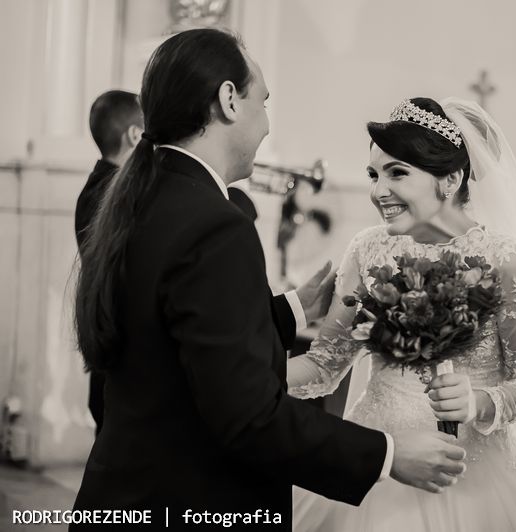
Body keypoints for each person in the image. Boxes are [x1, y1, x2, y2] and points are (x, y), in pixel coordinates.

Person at [72, 29, 465, 531]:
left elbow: (174, 337)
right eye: (264, 101)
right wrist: (387, 453)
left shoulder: (142, 197)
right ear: (229, 101)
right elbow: (248, 418)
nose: (266, 123)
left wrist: (293, 309)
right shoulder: (215, 224)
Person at [287, 97, 516, 531]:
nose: (379, 191)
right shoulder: (368, 248)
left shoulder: (507, 260)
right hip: (375, 460)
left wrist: (478, 402)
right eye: (374, 174)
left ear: (451, 179)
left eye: (398, 173)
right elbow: (324, 365)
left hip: (471, 480)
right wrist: (248, 378)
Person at [75, 90, 144, 435]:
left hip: (110, 360)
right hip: (117, 363)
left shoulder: (97, 188)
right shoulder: (109, 195)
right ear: (135, 135)